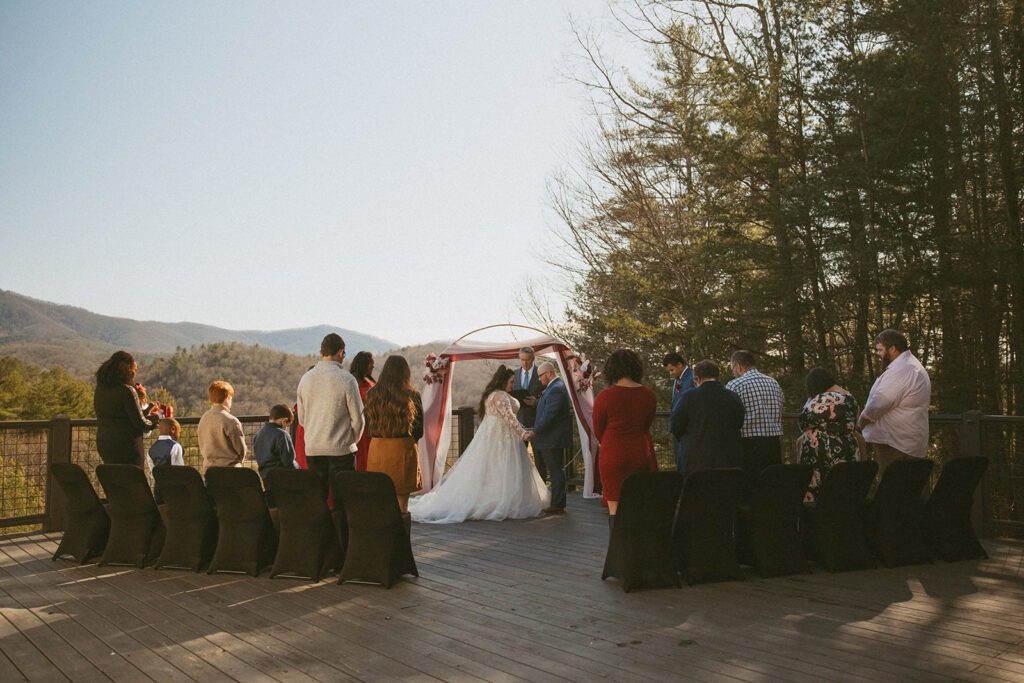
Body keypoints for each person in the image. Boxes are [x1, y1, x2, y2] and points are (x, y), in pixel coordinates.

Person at [408, 365, 549, 523]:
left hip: (497, 438)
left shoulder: (492, 395)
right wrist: (523, 433)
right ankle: (500, 500)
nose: (512, 385)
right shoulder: (500, 396)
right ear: (503, 381)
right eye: (510, 381)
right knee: (503, 468)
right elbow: (509, 418)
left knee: (495, 470)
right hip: (502, 439)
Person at [593, 349, 658, 528]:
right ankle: (638, 552)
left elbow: (598, 430)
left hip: (612, 454)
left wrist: (609, 442)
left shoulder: (604, 396)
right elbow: (646, 425)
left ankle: (619, 553)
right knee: (639, 506)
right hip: (639, 453)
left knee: (615, 510)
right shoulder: (649, 395)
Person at [296, 333, 364, 503]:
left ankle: (320, 530)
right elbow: (358, 418)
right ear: (341, 352)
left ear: (321, 353)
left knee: (317, 500)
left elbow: (302, 418)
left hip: (313, 448)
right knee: (344, 500)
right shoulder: (347, 380)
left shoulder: (306, 379)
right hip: (341, 449)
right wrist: (351, 440)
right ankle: (341, 529)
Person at [858, 329, 932, 476]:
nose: (878, 354)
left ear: (892, 348)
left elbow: (880, 402)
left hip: (896, 444)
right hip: (904, 441)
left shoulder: (903, 369)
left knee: (893, 488)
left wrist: (861, 421)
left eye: (880, 350)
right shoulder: (910, 366)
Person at [363, 356, 423, 514]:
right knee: (402, 506)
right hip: (402, 450)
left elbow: (368, 426)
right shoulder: (412, 395)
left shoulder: (372, 394)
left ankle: (382, 538)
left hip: (378, 450)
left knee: (380, 504)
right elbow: (419, 430)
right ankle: (401, 538)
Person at [798, 368, 864, 500]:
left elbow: (803, 421)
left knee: (823, 493)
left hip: (822, 455)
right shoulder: (850, 399)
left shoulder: (821, 400)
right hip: (848, 451)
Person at [670, 360, 745, 475]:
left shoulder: (688, 397)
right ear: (718, 377)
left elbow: (676, 425)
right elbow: (739, 422)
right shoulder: (733, 397)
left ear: (697, 379)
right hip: (728, 460)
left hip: (695, 461)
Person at [726, 350, 784, 489]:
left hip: (748, 444)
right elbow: (781, 403)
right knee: (771, 486)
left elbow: (729, 415)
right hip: (773, 443)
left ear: (738, 366)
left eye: (733, 368)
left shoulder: (735, 385)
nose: (733, 371)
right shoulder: (773, 383)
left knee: (750, 487)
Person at [93, 351, 160, 466]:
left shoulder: (100, 390)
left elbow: (125, 416)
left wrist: (147, 410)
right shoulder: (127, 390)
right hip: (127, 446)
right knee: (133, 480)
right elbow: (139, 422)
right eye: (134, 370)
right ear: (128, 368)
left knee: (114, 480)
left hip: (105, 443)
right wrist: (155, 421)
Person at [531, 361, 574, 515]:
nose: (540, 379)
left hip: (553, 438)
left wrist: (535, 431)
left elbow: (549, 415)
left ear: (548, 373)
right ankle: (557, 502)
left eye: (540, 376)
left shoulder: (556, 389)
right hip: (550, 438)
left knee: (556, 471)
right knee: (556, 470)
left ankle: (557, 504)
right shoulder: (553, 388)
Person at [512, 346, 546, 480]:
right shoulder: (514, 374)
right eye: (522, 360)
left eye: (527, 360)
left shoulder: (542, 373)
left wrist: (537, 402)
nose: (525, 363)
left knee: (540, 460)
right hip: (519, 422)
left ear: (533, 359)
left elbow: (549, 396)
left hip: (537, 422)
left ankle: (542, 491)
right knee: (519, 460)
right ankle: (521, 489)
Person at [198, 380, 247, 469]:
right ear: (227, 398)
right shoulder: (231, 421)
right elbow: (241, 451)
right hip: (230, 471)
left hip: (209, 470)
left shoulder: (204, 418)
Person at [663, 352, 696, 473]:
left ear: (680, 364)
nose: (671, 373)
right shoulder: (677, 380)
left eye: (672, 370)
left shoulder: (692, 378)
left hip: (687, 430)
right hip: (678, 429)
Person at [254, 404, 297, 487]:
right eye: (287, 426)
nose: (285, 429)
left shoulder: (259, 434)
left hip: (266, 478)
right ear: (284, 420)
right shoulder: (282, 435)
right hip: (282, 479)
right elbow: (288, 462)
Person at [349, 351, 376, 471]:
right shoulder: (351, 381)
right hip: (357, 428)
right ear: (364, 364)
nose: (373, 366)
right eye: (371, 364)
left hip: (371, 428)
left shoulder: (368, 380)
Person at [146, 417, 183, 504]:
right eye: (179, 432)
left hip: (158, 486)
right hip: (172, 487)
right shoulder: (175, 446)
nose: (178, 435)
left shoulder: (151, 450)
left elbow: (153, 471)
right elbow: (179, 471)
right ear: (173, 429)